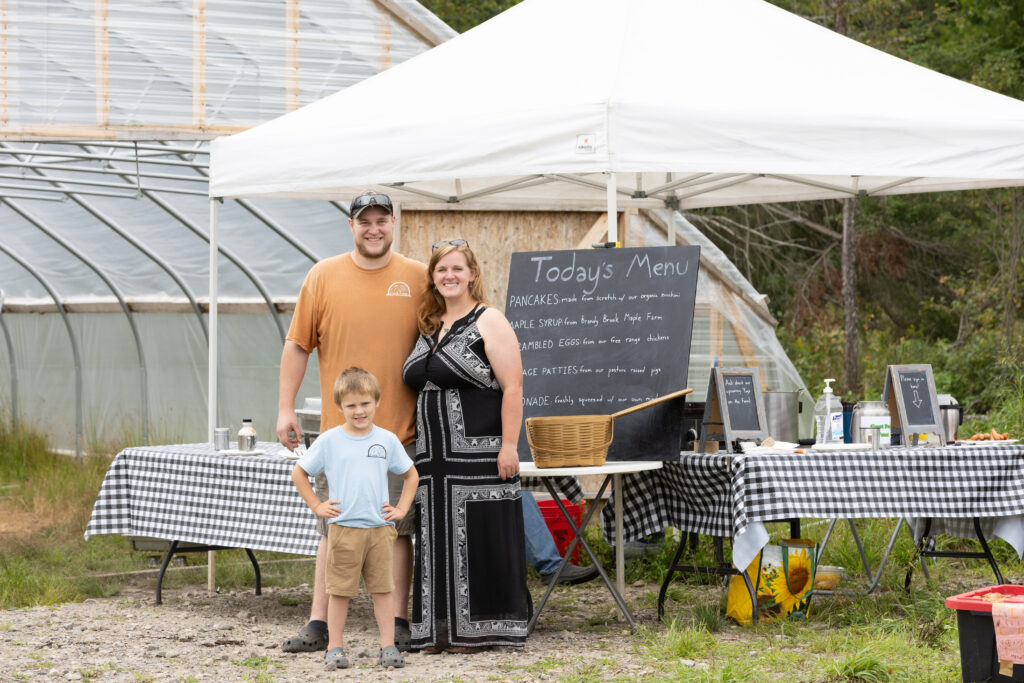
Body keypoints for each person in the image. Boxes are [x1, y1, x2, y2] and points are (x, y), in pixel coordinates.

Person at [277, 190, 425, 653]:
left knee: (394, 529)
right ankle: (318, 624)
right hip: (338, 437)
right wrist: (285, 407)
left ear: (394, 224)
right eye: (365, 221)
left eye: (382, 220)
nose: (374, 228)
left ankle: (398, 622)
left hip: (401, 431)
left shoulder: (418, 277)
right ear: (351, 227)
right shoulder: (323, 277)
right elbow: (298, 345)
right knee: (334, 528)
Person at [402, 239, 532, 652]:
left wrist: (509, 446)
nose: (449, 276)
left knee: (485, 536)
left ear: (473, 273)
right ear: (433, 277)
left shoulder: (489, 320)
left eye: (457, 269)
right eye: (441, 270)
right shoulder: (427, 325)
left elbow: (513, 386)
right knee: (437, 540)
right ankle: (439, 630)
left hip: (479, 453)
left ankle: (492, 627)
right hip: (433, 461)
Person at [291, 367, 419, 670]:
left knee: (383, 591)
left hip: (380, 531)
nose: (359, 411)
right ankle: (334, 647)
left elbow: (411, 475)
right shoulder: (330, 440)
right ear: (339, 407)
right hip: (343, 530)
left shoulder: (387, 440)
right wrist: (317, 506)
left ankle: (388, 646)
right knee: (339, 591)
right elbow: (299, 472)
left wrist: (400, 509)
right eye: (351, 405)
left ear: (376, 402)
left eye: (365, 403)